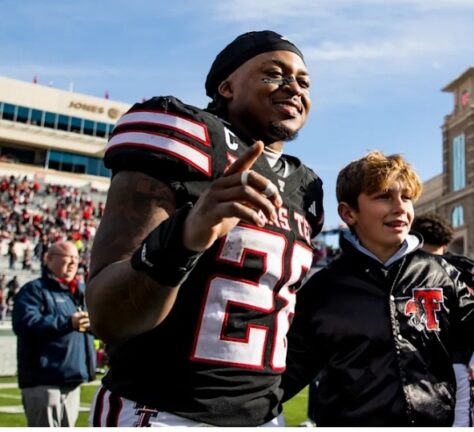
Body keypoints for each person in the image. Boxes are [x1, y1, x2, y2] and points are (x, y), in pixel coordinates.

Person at [85, 30, 324, 427]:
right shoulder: (186, 134)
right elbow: (108, 316)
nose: (294, 88)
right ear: (226, 87)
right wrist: (185, 236)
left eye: (304, 81)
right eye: (273, 74)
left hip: (264, 418)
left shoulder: (306, 188)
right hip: (164, 410)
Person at [280, 151, 474, 426]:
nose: (400, 207)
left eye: (406, 197)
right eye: (384, 196)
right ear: (348, 213)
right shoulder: (324, 289)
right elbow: (284, 374)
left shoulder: (439, 273)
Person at [410, 212, 474, 427]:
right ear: (446, 241)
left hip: (416, 361)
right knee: (458, 422)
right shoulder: (464, 267)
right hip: (455, 360)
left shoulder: (405, 267)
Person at [12, 241, 95, 427]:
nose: (73, 262)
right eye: (68, 257)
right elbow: (25, 324)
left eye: (76, 258)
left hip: (72, 379)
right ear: (48, 259)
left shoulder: (79, 291)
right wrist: (68, 322)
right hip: (44, 380)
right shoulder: (34, 290)